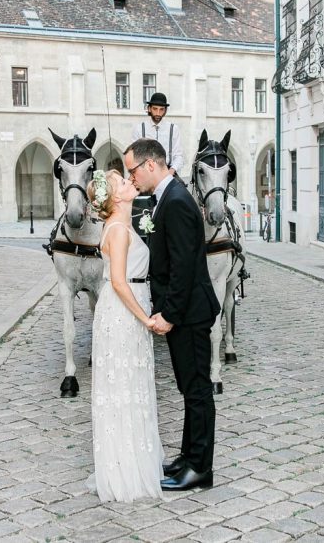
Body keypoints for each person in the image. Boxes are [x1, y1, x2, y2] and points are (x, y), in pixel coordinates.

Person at [124, 138, 220, 492]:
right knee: (188, 388)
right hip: (186, 312)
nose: (130, 177)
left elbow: (182, 268)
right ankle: (188, 456)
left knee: (197, 392)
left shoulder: (176, 200)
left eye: (132, 170)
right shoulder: (169, 195)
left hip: (190, 314)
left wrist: (168, 314)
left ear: (151, 165)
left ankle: (200, 468)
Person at [84, 169, 165, 503]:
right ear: (114, 197)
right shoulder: (117, 229)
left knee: (132, 384)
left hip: (128, 306)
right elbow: (118, 281)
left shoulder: (126, 224)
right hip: (123, 311)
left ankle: (135, 459)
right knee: (123, 386)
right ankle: (123, 471)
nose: (130, 182)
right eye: (121, 182)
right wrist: (145, 318)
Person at [131, 92, 185, 177]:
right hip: (145, 174)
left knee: (181, 189)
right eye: (155, 109)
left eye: (161, 109)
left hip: (168, 172)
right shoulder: (139, 128)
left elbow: (179, 156)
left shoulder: (173, 129)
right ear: (149, 109)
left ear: (165, 110)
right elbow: (133, 155)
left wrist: (171, 171)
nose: (158, 113)